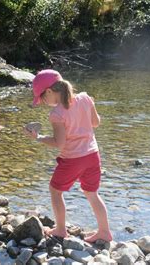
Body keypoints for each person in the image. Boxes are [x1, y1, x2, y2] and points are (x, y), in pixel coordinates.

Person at [24, 69, 112, 243]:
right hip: (93, 155)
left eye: (42, 98)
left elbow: (60, 143)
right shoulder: (85, 98)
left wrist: (38, 138)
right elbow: (96, 123)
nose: (42, 101)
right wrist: (90, 107)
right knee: (92, 193)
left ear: (49, 91)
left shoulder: (57, 114)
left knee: (55, 191)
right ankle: (105, 232)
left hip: (73, 159)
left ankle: (61, 229)